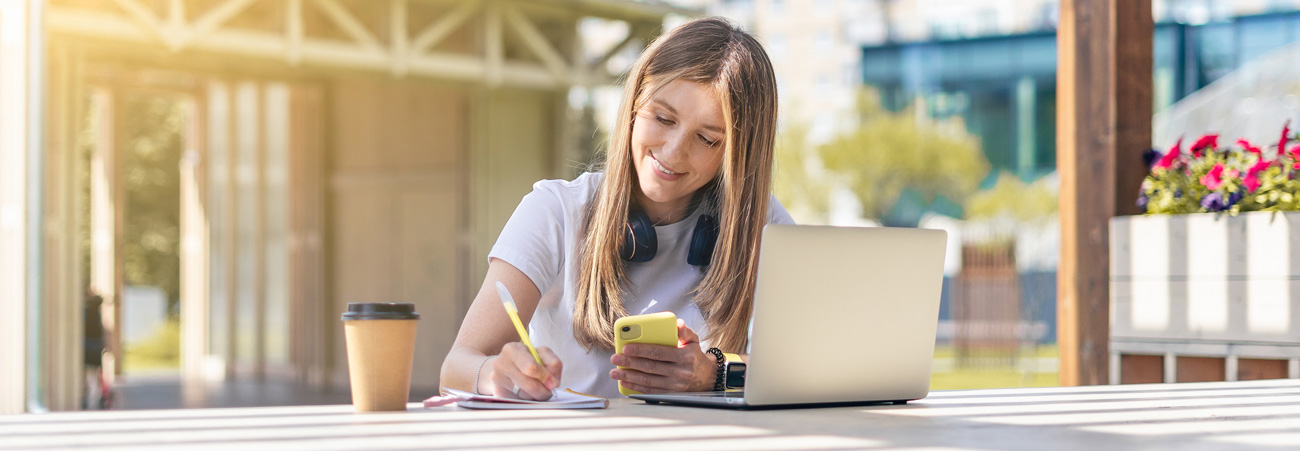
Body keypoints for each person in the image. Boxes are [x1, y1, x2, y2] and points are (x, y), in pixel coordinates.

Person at [439, 17, 792, 400]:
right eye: (663, 118)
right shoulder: (555, 211)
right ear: (634, 107)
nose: (673, 152)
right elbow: (456, 367)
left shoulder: (760, 223)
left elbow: (810, 368)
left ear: (738, 156)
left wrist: (716, 373)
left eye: (707, 139)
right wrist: (494, 373)